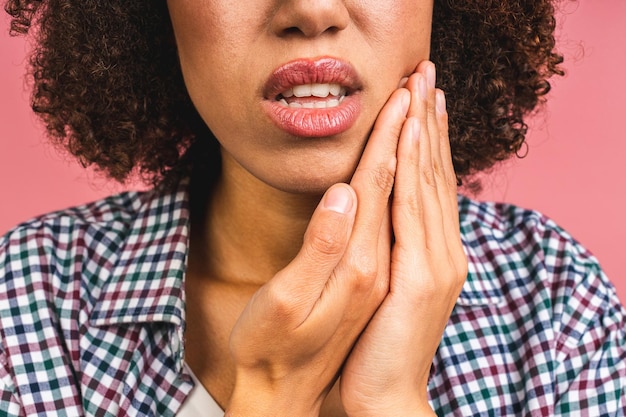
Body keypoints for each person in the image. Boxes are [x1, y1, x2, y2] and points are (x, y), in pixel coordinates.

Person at [1, 0, 624, 416]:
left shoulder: (557, 302)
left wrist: (392, 401)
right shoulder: (24, 304)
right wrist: (264, 397)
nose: (311, 9)